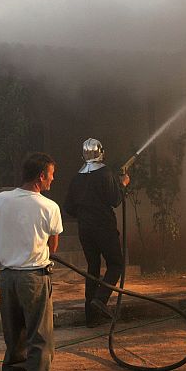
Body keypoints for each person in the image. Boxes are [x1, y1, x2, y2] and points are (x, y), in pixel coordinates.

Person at [0, 152, 63, 371]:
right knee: (40, 343)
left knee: (14, 338)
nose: (53, 178)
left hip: (6, 278)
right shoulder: (49, 207)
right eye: (51, 173)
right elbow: (53, 246)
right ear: (41, 176)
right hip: (34, 279)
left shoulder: (0, 199)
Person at [63, 138, 129, 327]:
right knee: (116, 264)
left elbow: (68, 207)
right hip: (104, 228)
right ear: (101, 152)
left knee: (93, 268)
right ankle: (100, 299)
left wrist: (84, 215)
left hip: (85, 230)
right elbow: (115, 200)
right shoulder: (105, 173)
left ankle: (91, 318)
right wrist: (123, 183)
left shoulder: (77, 178)